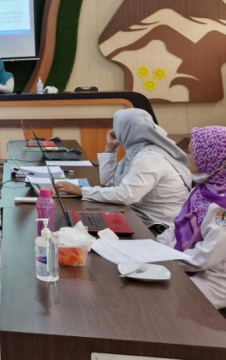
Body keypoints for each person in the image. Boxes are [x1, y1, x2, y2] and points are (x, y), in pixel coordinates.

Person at [55, 109, 191, 232]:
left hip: (159, 229)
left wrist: (81, 191)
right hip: (140, 218)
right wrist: (110, 149)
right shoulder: (138, 150)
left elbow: (127, 195)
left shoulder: (149, 157)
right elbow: (109, 182)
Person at [158, 126, 226, 309]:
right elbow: (176, 227)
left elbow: (206, 258)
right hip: (185, 264)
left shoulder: (223, 207)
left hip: (213, 281)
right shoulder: (201, 190)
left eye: (189, 153)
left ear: (209, 158)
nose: (186, 158)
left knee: (156, 299)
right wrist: (156, 246)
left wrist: (163, 258)